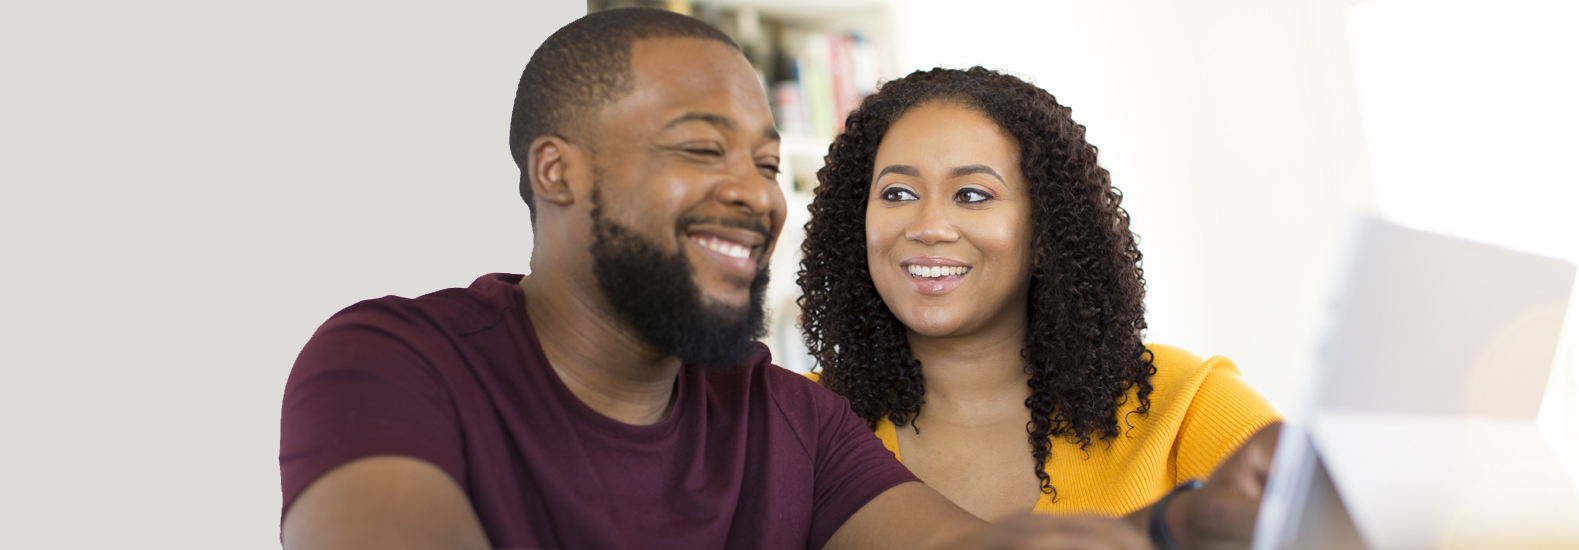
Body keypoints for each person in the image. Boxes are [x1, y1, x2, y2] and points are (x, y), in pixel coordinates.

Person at [278, 8, 1163, 550]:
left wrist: (1173, 531)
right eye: (702, 149)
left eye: (768, 164)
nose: (755, 195)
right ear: (558, 172)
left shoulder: (791, 419)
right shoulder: (393, 363)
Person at [799, 67, 1284, 545]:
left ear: (1044, 228)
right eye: (897, 193)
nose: (928, 227)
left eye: (972, 195)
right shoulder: (799, 419)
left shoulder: (1186, 403)